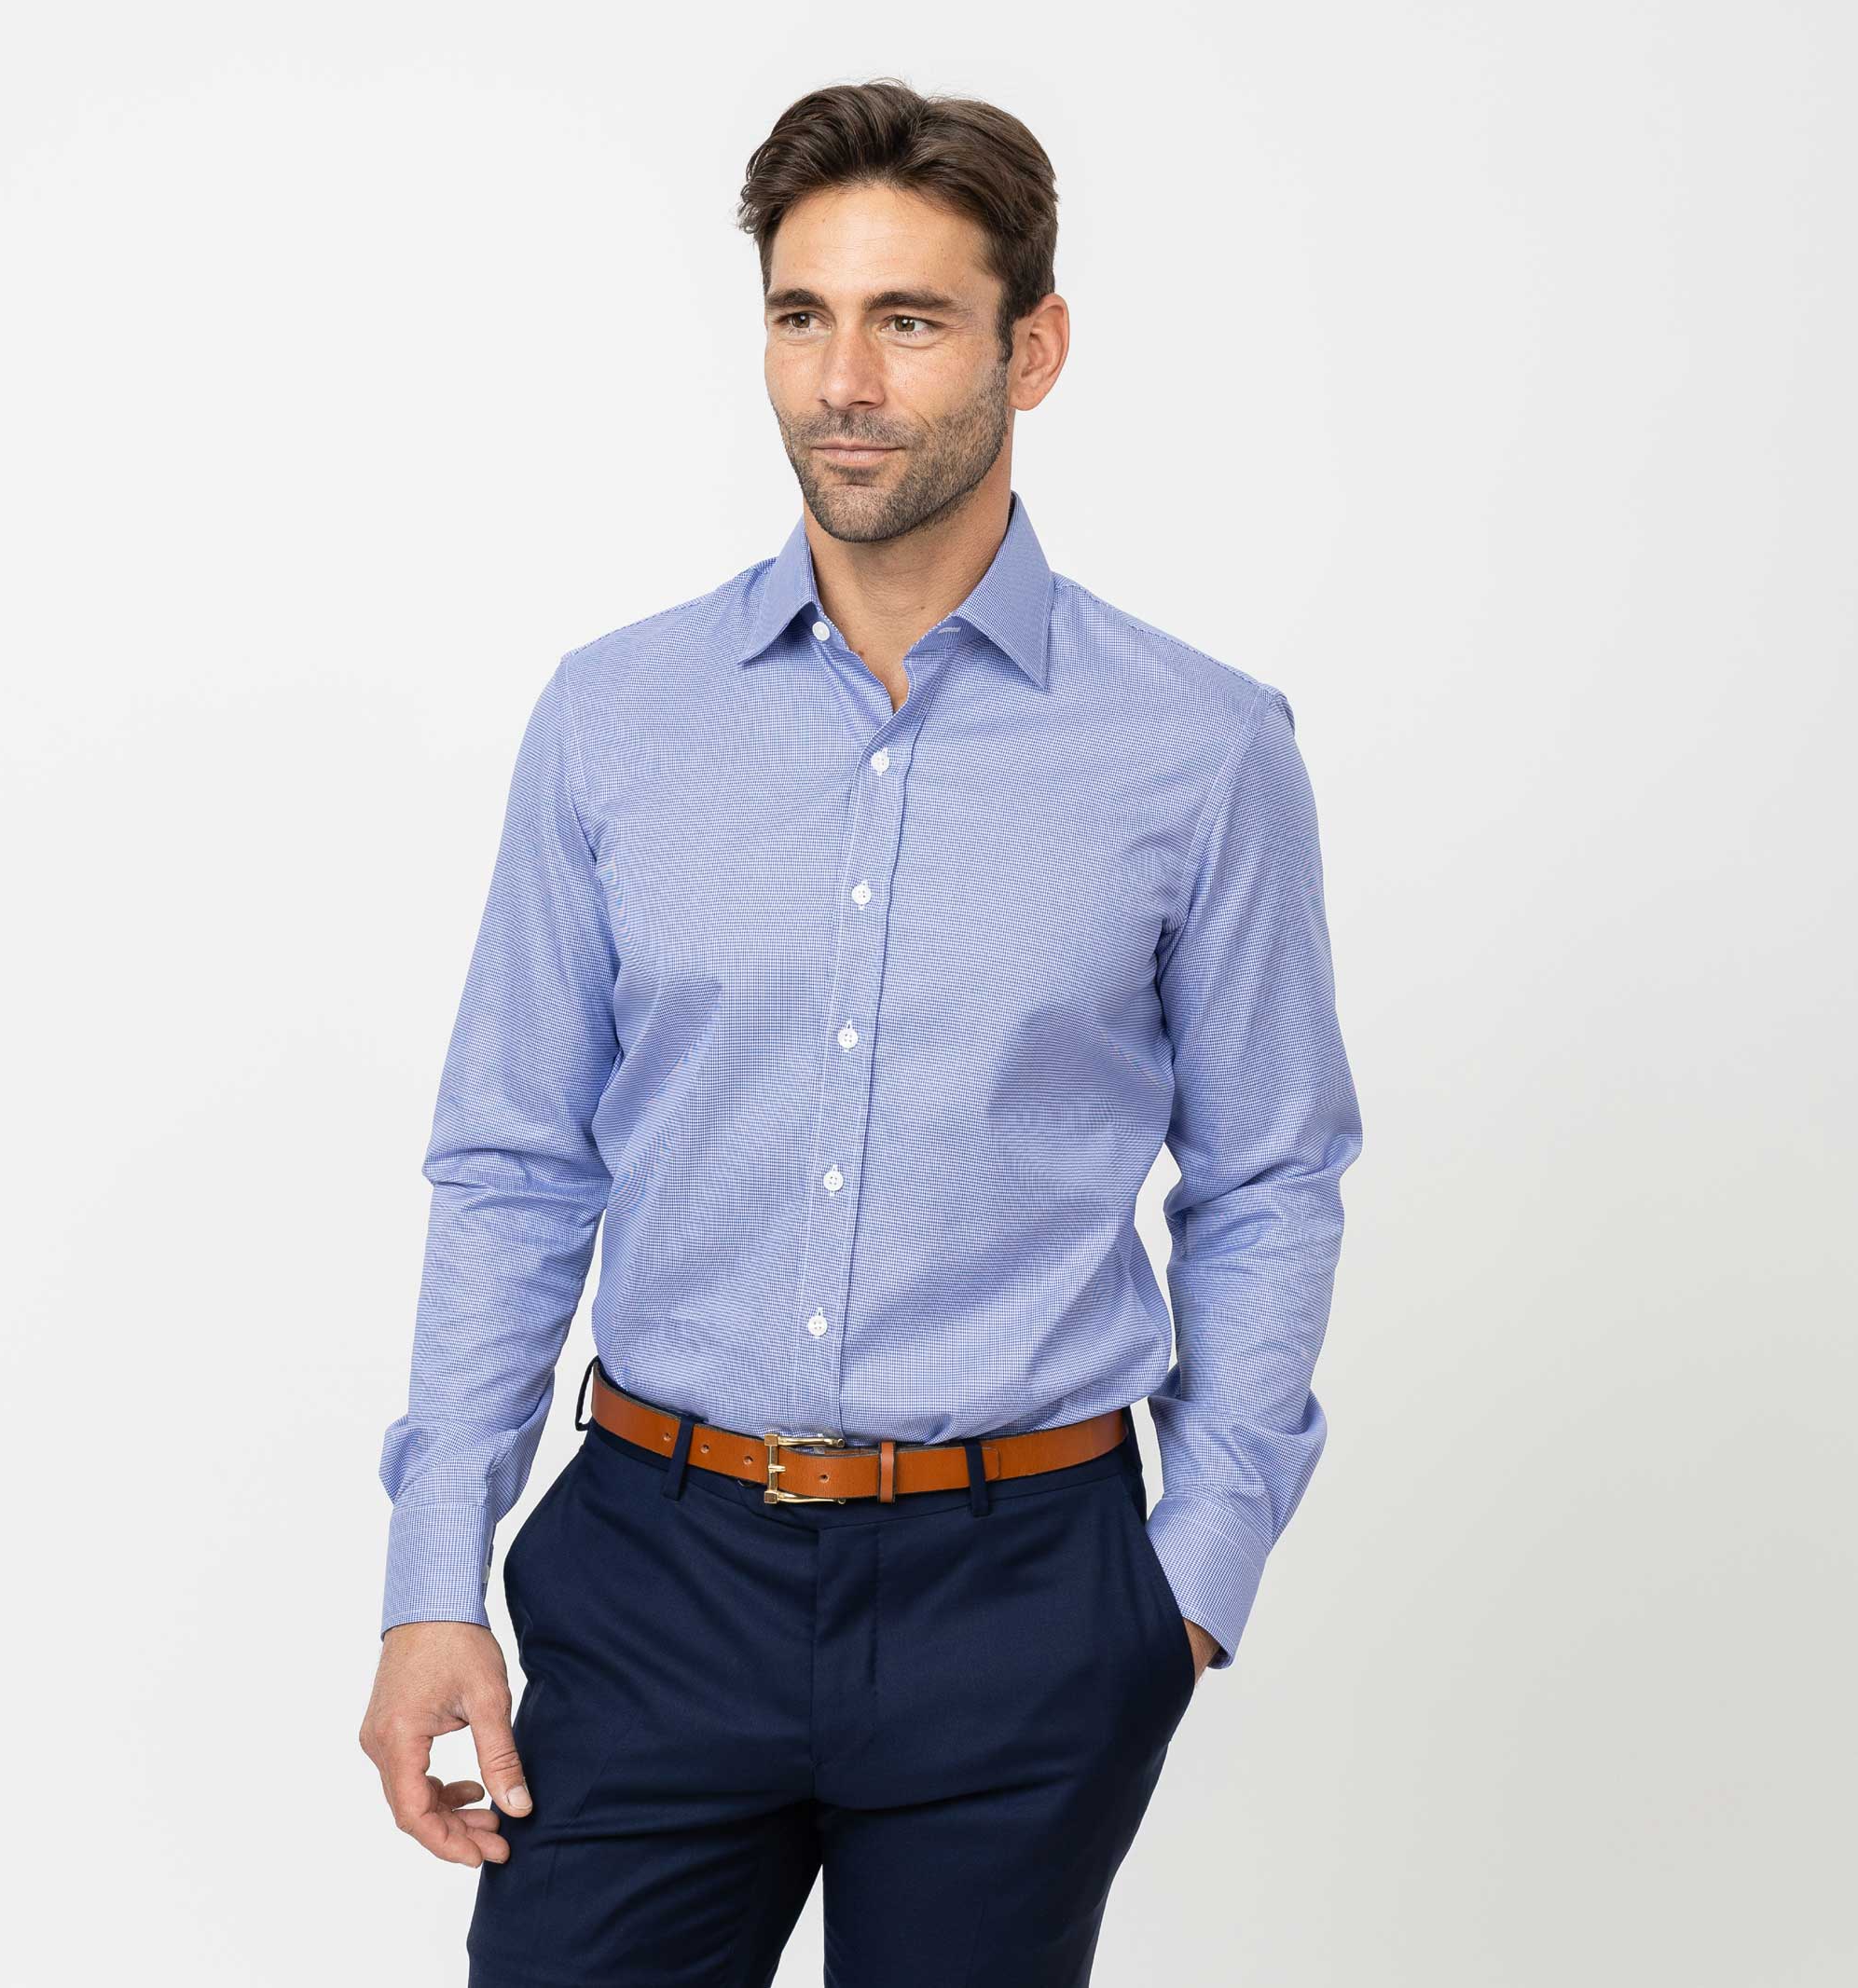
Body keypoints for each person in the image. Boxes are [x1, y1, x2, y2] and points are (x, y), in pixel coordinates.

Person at [359, 75, 1364, 1986]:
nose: (841, 382)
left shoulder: (1200, 748)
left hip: (1024, 1593)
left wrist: (1187, 1583)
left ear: (1029, 349)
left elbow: (1268, 1172)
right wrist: (433, 1578)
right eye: (800, 315)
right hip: (653, 1571)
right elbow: (513, 1165)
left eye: (907, 321)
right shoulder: (616, 717)